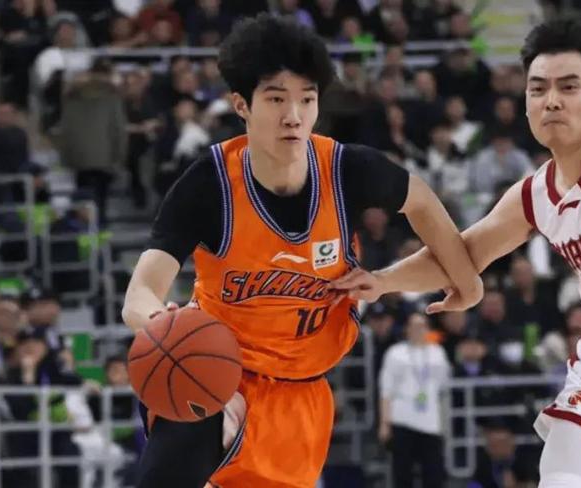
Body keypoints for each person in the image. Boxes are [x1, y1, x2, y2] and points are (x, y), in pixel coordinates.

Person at [122, 13, 482, 488]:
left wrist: (458, 284)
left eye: (306, 99)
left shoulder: (348, 170)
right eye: (276, 99)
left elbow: (422, 203)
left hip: (302, 397)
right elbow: (139, 293)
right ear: (242, 104)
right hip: (216, 377)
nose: (293, 114)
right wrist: (162, 327)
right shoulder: (210, 183)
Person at [331, 19, 581, 488]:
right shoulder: (534, 195)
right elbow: (460, 257)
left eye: (569, 86)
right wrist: (382, 281)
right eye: (538, 89)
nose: (552, 100)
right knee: (563, 476)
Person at [379, 312, 451, 488]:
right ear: (407, 329)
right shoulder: (396, 353)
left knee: (434, 475)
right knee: (402, 475)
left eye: (422, 326)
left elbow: (443, 388)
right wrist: (384, 423)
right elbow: (386, 390)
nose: (419, 330)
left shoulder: (437, 353)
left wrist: (444, 424)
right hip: (403, 421)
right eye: (415, 326)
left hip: (430, 423)